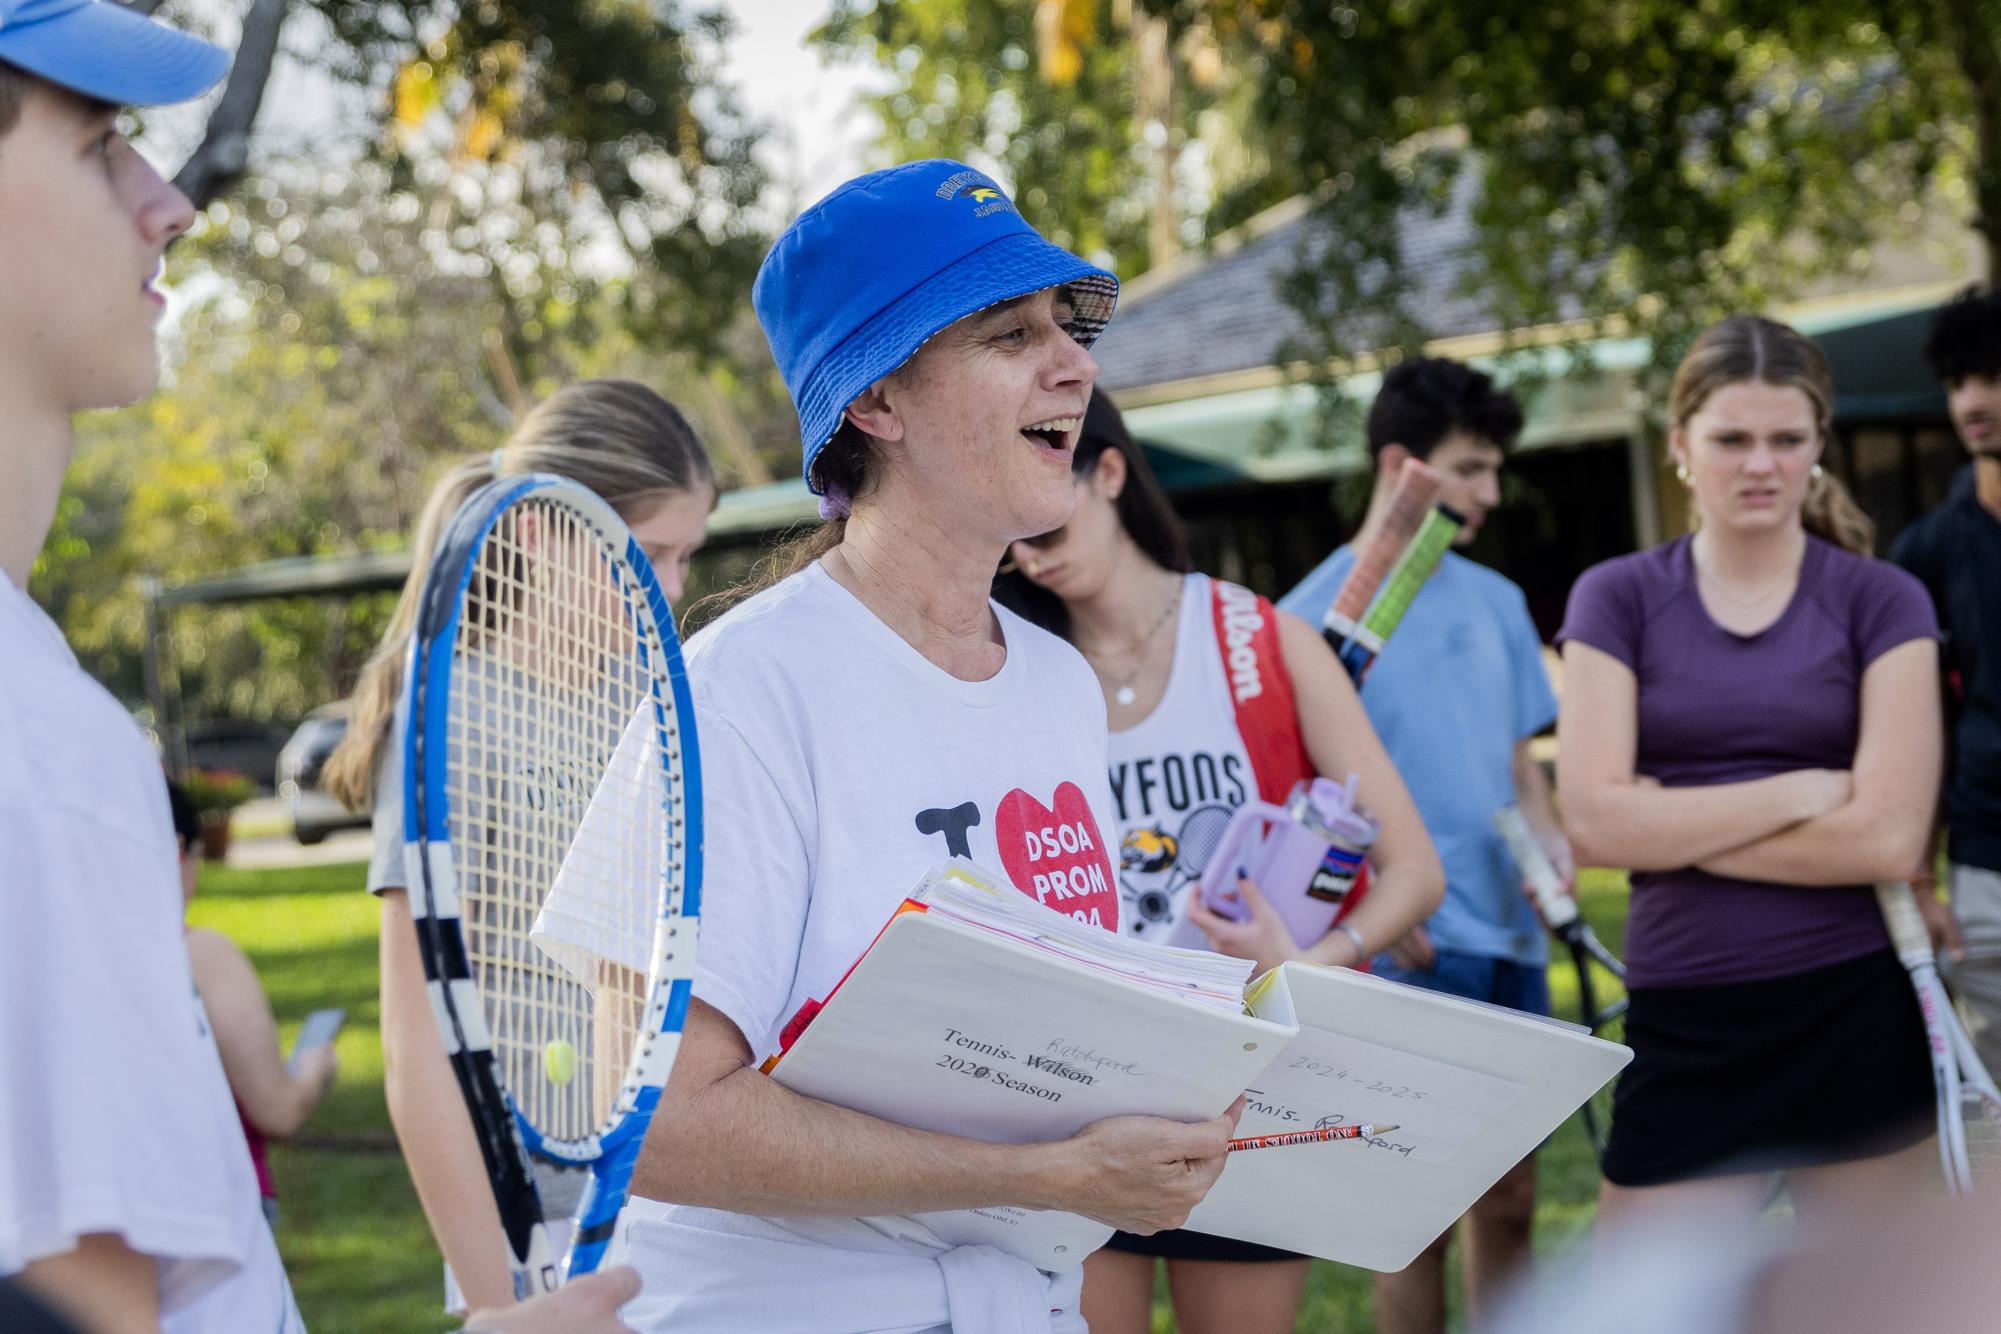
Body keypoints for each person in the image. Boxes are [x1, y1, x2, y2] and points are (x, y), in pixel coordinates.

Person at [534, 159, 1241, 1333]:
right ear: (876, 403)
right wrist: (1042, 1177)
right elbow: (647, 1119)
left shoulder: (1060, 685)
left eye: (1065, 327)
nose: (1075, 363)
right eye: (1010, 334)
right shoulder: (743, 692)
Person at [994, 391, 1444, 1333]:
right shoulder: (1015, 669)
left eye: (1050, 507)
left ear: (1108, 473)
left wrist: (1303, 968)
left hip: (1244, 1084)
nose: (1030, 542)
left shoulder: (1259, 638)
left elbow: (1413, 871)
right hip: (1079, 1087)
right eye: (1012, 526)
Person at [320, 378, 716, 1315]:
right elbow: (421, 1050)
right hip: (526, 1240)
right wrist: (502, 1302)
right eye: (648, 552)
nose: (667, 587)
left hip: (679, 1215)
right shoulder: (452, 715)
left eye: (685, 556)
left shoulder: (653, 704)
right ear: (539, 531)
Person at [1557, 315, 1943, 1230]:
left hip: (1851, 1009)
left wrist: (1671, 828)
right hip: (1683, 1018)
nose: (1759, 464)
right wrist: (1802, 792)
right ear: (1681, 444)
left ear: (1818, 446)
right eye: (1731, 438)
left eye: (1785, 439)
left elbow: (1888, 838)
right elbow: (1597, 827)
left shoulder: (1882, 599)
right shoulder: (1614, 596)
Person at [1277, 357, 1571, 1334]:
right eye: (1471, 468)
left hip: (1512, 945)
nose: (1491, 493)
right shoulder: (1307, 620)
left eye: (1497, 470)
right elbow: (1296, 800)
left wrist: (1554, 847)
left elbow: (1521, 761)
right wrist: (1368, 905)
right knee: (1415, 1220)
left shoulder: (1496, 599)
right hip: (1408, 950)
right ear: (1402, 466)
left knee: (1513, 1201)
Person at [1894, 286, 2001, 1077]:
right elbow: (1908, 730)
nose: (1973, 401)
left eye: (1992, 376)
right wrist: (1919, 880)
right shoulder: (1925, 551)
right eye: (1959, 381)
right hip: (1982, 860)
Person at [168, 780, 339, 1227]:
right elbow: (278, 1110)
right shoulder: (201, 956)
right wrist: (316, 1071)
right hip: (220, 1211)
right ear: (176, 850)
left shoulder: (60, 967)